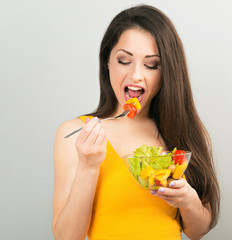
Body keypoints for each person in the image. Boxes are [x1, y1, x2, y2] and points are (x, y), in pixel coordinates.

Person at [52, 4, 220, 240]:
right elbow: (66, 237)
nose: (136, 75)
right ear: (107, 62)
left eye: (151, 65)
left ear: (166, 72)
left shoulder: (180, 132)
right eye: (124, 60)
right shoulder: (76, 134)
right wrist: (88, 167)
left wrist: (188, 200)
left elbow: (198, 231)